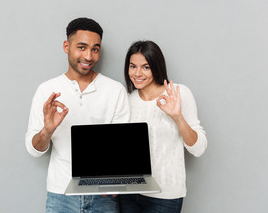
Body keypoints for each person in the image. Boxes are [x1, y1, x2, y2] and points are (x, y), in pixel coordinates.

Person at [25, 17, 130, 213]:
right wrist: (47, 130)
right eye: (81, 47)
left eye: (95, 49)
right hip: (61, 195)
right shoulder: (46, 90)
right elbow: (34, 150)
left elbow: (122, 148)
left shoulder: (115, 90)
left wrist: (117, 181)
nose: (88, 56)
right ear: (66, 46)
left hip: (103, 195)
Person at [119, 40, 207, 213]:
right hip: (129, 192)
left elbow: (198, 149)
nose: (137, 73)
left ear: (156, 67)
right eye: (132, 66)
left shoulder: (178, 94)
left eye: (145, 67)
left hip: (165, 196)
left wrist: (177, 116)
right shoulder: (126, 100)